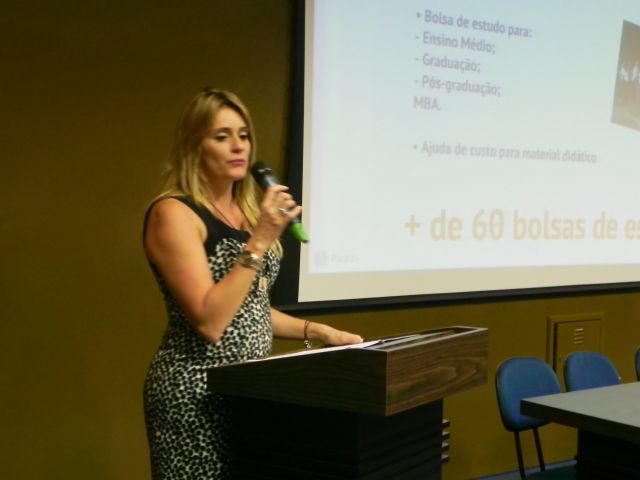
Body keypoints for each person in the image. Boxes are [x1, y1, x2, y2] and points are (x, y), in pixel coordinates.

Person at [142, 87, 363, 480]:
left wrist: (316, 331)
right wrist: (260, 239)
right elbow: (211, 321)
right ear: (194, 145)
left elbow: (248, 309)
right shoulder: (174, 214)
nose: (237, 146)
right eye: (221, 136)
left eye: (243, 135)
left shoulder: (245, 212)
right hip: (195, 393)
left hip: (250, 393)